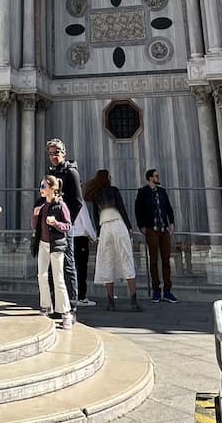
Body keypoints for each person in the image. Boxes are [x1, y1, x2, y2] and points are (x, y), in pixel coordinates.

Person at [83, 169, 143, 312]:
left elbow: (95, 216)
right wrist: (129, 226)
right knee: (126, 259)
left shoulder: (96, 194)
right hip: (118, 224)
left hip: (104, 228)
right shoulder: (114, 190)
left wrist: (98, 234)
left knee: (107, 261)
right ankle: (133, 301)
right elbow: (121, 208)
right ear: (107, 178)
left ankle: (111, 302)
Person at [45, 139, 86, 313]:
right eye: (51, 153)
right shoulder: (52, 172)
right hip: (51, 226)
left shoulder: (71, 173)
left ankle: (71, 306)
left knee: (68, 265)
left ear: (64, 152)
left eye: (57, 152)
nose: (54, 156)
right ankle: (56, 304)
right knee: (52, 265)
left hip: (63, 227)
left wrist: (67, 223)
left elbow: (77, 202)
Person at [32, 176, 73, 330]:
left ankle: (65, 314)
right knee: (41, 275)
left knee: (58, 278)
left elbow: (68, 226)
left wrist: (56, 223)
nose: (41, 189)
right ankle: (45, 307)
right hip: (43, 244)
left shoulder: (61, 206)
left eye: (43, 186)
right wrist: (35, 216)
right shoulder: (42, 206)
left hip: (56, 246)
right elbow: (35, 226)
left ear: (51, 188)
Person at [135, 169, 177, 303]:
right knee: (153, 260)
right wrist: (141, 225)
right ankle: (156, 290)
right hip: (151, 229)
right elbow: (138, 209)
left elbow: (168, 208)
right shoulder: (143, 192)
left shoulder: (162, 191)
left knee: (166, 260)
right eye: (156, 176)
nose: (158, 178)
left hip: (163, 229)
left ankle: (168, 291)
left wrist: (171, 222)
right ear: (149, 178)